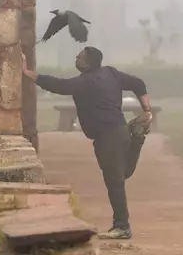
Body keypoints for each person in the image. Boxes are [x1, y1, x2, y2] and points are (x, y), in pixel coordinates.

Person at [22, 47, 153, 240]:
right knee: (121, 174)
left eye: (80, 57)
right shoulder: (111, 73)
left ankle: (122, 226)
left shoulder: (83, 83)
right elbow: (138, 83)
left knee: (115, 181)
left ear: (88, 62)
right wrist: (147, 109)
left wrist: (27, 73)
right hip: (120, 131)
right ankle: (137, 136)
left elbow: (58, 85)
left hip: (109, 137)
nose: (76, 58)